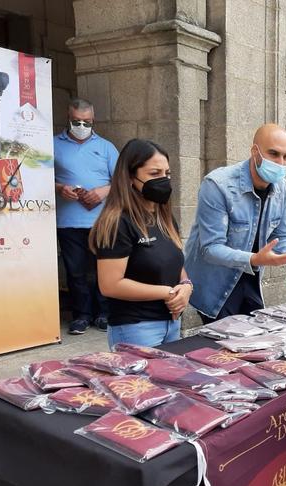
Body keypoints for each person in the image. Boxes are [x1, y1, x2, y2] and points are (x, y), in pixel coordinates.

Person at [184, 124, 286, 324]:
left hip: (251, 280)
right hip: (216, 285)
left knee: (256, 344)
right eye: (273, 154)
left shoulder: (282, 188)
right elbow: (210, 248)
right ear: (255, 151)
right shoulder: (218, 185)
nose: (280, 163)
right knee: (223, 350)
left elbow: (280, 236)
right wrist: (254, 259)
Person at [89, 139, 190, 349]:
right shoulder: (118, 222)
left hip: (172, 323)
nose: (163, 180)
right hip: (136, 328)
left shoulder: (166, 218)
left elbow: (175, 264)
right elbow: (110, 284)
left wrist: (186, 287)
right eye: (154, 174)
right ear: (129, 177)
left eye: (167, 174)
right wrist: (167, 292)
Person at [54, 98, 119, 334]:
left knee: (103, 268)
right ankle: (81, 315)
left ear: (94, 121)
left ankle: (103, 313)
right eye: (76, 121)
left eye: (86, 121)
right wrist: (60, 188)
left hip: (102, 222)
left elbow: (123, 181)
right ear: (67, 119)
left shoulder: (106, 147)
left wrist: (104, 190)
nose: (81, 125)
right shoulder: (53, 145)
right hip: (68, 222)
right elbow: (37, 179)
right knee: (76, 271)